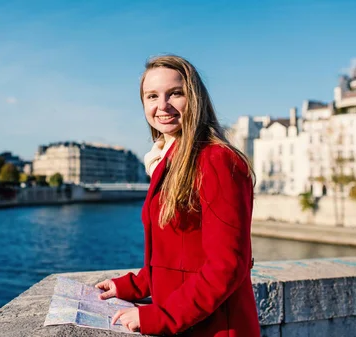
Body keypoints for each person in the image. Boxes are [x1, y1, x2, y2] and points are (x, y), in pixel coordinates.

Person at [95, 55, 260, 336]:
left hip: (215, 327)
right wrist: (129, 287)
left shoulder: (216, 160)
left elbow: (226, 266)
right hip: (189, 321)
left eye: (175, 93)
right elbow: (177, 258)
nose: (162, 106)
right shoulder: (169, 159)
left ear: (194, 98)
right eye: (151, 96)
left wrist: (159, 316)